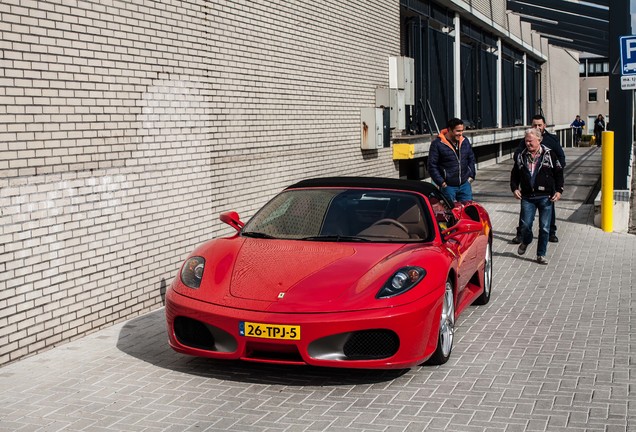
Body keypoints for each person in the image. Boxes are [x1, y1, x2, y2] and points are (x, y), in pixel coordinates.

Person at [510, 128, 564, 265]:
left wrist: (559, 191)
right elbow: (514, 174)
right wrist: (515, 188)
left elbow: (559, 173)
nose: (528, 143)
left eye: (530, 141)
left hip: (546, 197)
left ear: (539, 140)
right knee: (525, 225)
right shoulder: (521, 156)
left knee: (545, 227)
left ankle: (541, 254)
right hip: (527, 197)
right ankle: (526, 241)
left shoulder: (549, 155)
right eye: (526, 141)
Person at [427, 118, 476, 203]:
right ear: (449, 129)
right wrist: (442, 183)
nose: (460, 134)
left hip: (465, 185)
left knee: (468, 211)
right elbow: (432, 165)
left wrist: (471, 176)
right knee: (449, 213)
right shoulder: (437, 144)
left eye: (462, 131)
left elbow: (471, 158)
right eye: (458, 131)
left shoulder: (464, 141)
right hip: (448, 187)